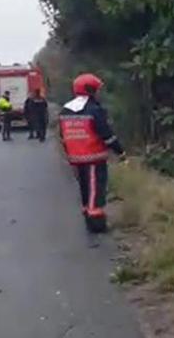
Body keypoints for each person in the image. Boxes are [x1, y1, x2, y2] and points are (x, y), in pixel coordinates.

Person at [58, 74, 125, 233]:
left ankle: (88, 214)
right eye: (97, 89)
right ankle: (96, 222)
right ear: (91, 90)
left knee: (84, 187)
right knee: (95, 188)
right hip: (94, 156)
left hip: (75, 157)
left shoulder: (66, 109)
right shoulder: (94, 109)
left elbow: (62, 135)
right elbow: (106, 134)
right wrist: (119, 151)